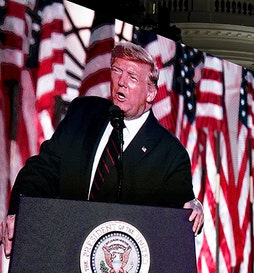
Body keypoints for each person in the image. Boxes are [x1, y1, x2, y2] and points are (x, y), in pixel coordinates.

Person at [1, 41, 203, 258]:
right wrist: (20, 211)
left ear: (151, 93)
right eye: (117, 71)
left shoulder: (170, 154)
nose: (121, 82)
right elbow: (42, 170)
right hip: (62, 255)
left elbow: (180, 212)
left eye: (132, 77)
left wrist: (193, 205)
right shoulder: (82, 114)